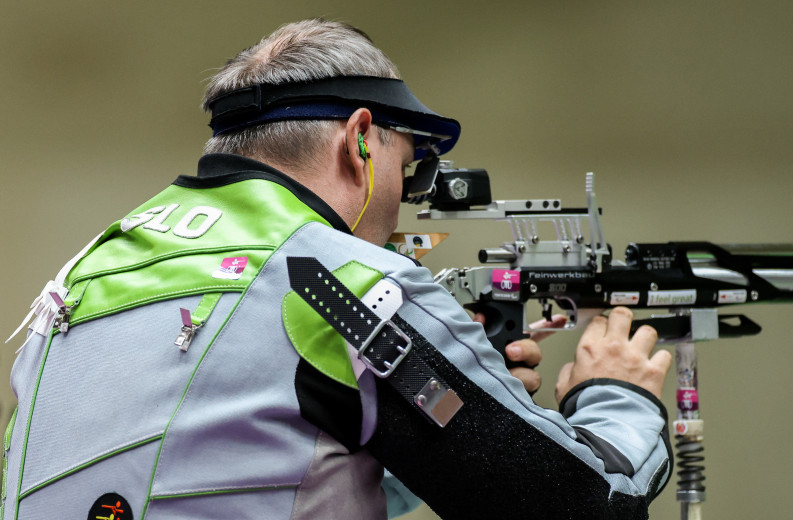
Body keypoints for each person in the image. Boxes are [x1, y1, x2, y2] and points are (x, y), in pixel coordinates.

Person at [3, 19, 672, 519]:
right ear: (359, 140)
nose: (405, 201)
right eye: (407, 168)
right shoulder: (336, 283)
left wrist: (443, 420)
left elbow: (250, 479)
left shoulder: (91, 266)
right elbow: (579, 504)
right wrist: (614, 392)